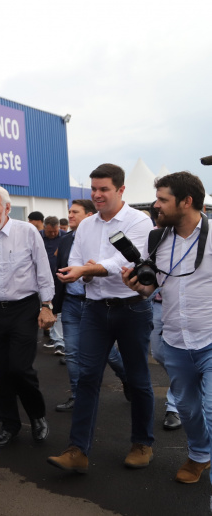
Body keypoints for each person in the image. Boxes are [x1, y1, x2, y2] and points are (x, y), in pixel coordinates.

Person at [48, 163, 155, 473]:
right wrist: (86, 270)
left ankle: (142, 443)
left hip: (132, 308)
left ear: (121, 190)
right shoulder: (87, 225)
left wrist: (90, 269)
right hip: (94, 309)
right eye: (93, 189)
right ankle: (77, 450)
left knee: (138, 378)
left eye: (103, 189)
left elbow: (120, 261)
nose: (96, 194)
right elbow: (77, 262)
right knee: (86, 378)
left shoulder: (139, 221)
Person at [122, 171, 211, 487]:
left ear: (186, 202)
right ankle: (201, 454)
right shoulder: (157, 239)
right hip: (175, 343)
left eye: (163, 200)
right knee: (187, 410)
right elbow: (152, 289)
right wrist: (136, 285)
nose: (156, 205)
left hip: (211, 341)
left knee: (211, 411)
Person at [0, 184, 54, 448]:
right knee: (1, 372)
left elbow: (43, 270)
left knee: (20, 368)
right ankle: (9, 424)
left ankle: (37, 415)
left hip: (24, 308)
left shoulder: (27, 232)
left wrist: (47, 305)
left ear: (7, 208)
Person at [53, 199, 130, 413]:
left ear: (89, 216)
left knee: (107, 353)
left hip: (93, 303)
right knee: (72, 352)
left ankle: (126, 377)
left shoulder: (103, 240)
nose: (70, 215)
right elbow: (59, 268)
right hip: (70, 303)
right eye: (69, 211)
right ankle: (78, 396)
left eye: (75, 212)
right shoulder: (66, 240)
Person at [41, 216, 65, 355]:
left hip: (59, 277)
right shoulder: (38, 236)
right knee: (46, 307)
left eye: (55, 231)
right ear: (45, 228)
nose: (53, 234)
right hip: (43, 278)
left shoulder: (63, 236)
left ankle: (59, 341)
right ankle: (54, 337)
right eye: (50, 232)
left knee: (57, 308)